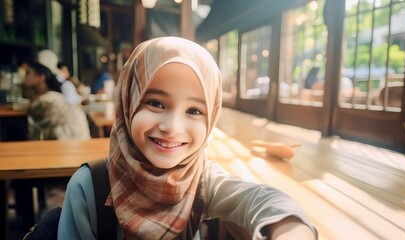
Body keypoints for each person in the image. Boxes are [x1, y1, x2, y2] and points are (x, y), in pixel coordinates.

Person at [58, 37, 317, 239]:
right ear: (128, 102)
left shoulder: (201, 180)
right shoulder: (88, 187)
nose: (172, 127)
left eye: (194, 110)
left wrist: (291, 228)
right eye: (156, 103)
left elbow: (262, 200)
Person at [24, 61, 90, 140]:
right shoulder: (53, 96)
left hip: (72, 144)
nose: (25, 78)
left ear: (41, 77)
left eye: (28, 73)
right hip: (78, 141)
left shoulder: (47, 100)